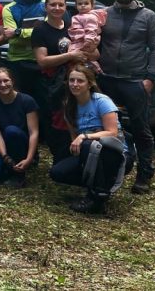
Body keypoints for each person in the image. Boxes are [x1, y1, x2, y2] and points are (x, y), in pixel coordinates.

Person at [98, 0, 155, 194]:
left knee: (141, 129)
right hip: (106, 80)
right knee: (105, 128)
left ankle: (144, 175)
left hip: (135, 81)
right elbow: (91, 41)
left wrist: (150, 79)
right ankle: (106, 172)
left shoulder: (148, 16)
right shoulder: (104, 14)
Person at [49, 64, 130, 214]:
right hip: (89, 151)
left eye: (80, 81)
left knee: (88, 144)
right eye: (71, 80)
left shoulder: (101, 101)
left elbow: (112, 132)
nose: (75, 84)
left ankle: (97, 196)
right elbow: (74, 139)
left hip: (114, 153)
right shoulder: (68, 105)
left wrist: (85, 136)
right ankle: (98, 184)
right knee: (57, 172)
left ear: (90, 83)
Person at [32, 0, 88, 161]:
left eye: (61, 5)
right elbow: (42, 61)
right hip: (52, 85)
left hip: (75, 83)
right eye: (53, 4)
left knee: (74, 118)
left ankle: (76, 158)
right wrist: (70, 56)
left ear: (65, 7)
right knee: (56, 122)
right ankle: (60, 159)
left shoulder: (72, 26)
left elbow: (88, 51)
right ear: (45, 7)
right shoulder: (40, 29)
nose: (57, 8)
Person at [0, 67, 40, 186]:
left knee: (11, 131)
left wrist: (29, 158)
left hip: (21, 142)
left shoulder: (27, 101)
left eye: (6, 80)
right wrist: (5, 157)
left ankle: (19, 173)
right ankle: (8, 167)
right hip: (1, 143)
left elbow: (34, 133)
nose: (3, 85)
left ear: (12, 81)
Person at [1, 0, 46, 101]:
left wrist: (18, 32)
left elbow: (46, 33)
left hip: (41, 62)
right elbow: (12, 39)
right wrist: (37, 33)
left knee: (43, 104)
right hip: (17, 63)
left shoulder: (48, 6)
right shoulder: (8, 8)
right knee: (19, 104)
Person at [69, 0, 107, 73]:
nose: (83, 5)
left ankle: (96, 69)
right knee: (81, 59)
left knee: (80, 58)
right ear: (76, 6)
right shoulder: (79, 16)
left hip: (85, 41)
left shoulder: (89, 17)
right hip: (79, 40)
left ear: (92, 5)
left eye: (86, 3)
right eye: (80, 4)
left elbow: (91, 29)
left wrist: (88, 41)